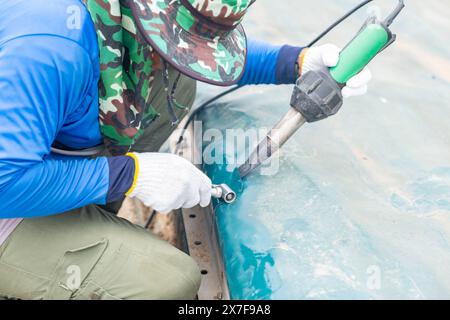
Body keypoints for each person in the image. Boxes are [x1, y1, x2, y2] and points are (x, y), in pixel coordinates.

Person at [0, 0, 371, 299]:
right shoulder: (47, 45)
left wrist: (298, 62)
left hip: (36, 163)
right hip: (8, 194)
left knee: (174, 86)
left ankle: (88, 216)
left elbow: (194, 51)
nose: (186, 52)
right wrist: (131, 175)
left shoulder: (124, 15)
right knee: (167, 280)